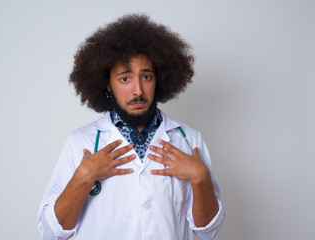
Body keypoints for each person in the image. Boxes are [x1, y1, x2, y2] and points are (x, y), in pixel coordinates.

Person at [37, 14, 224, 240]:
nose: (138, 90)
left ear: (159, 79)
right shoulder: (82, 142)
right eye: (125, 79)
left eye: (146, 76)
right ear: (108, 83)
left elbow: (207, 231)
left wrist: (200, 179)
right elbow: (51, 233)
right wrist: (83, 178)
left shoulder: (188, 140)